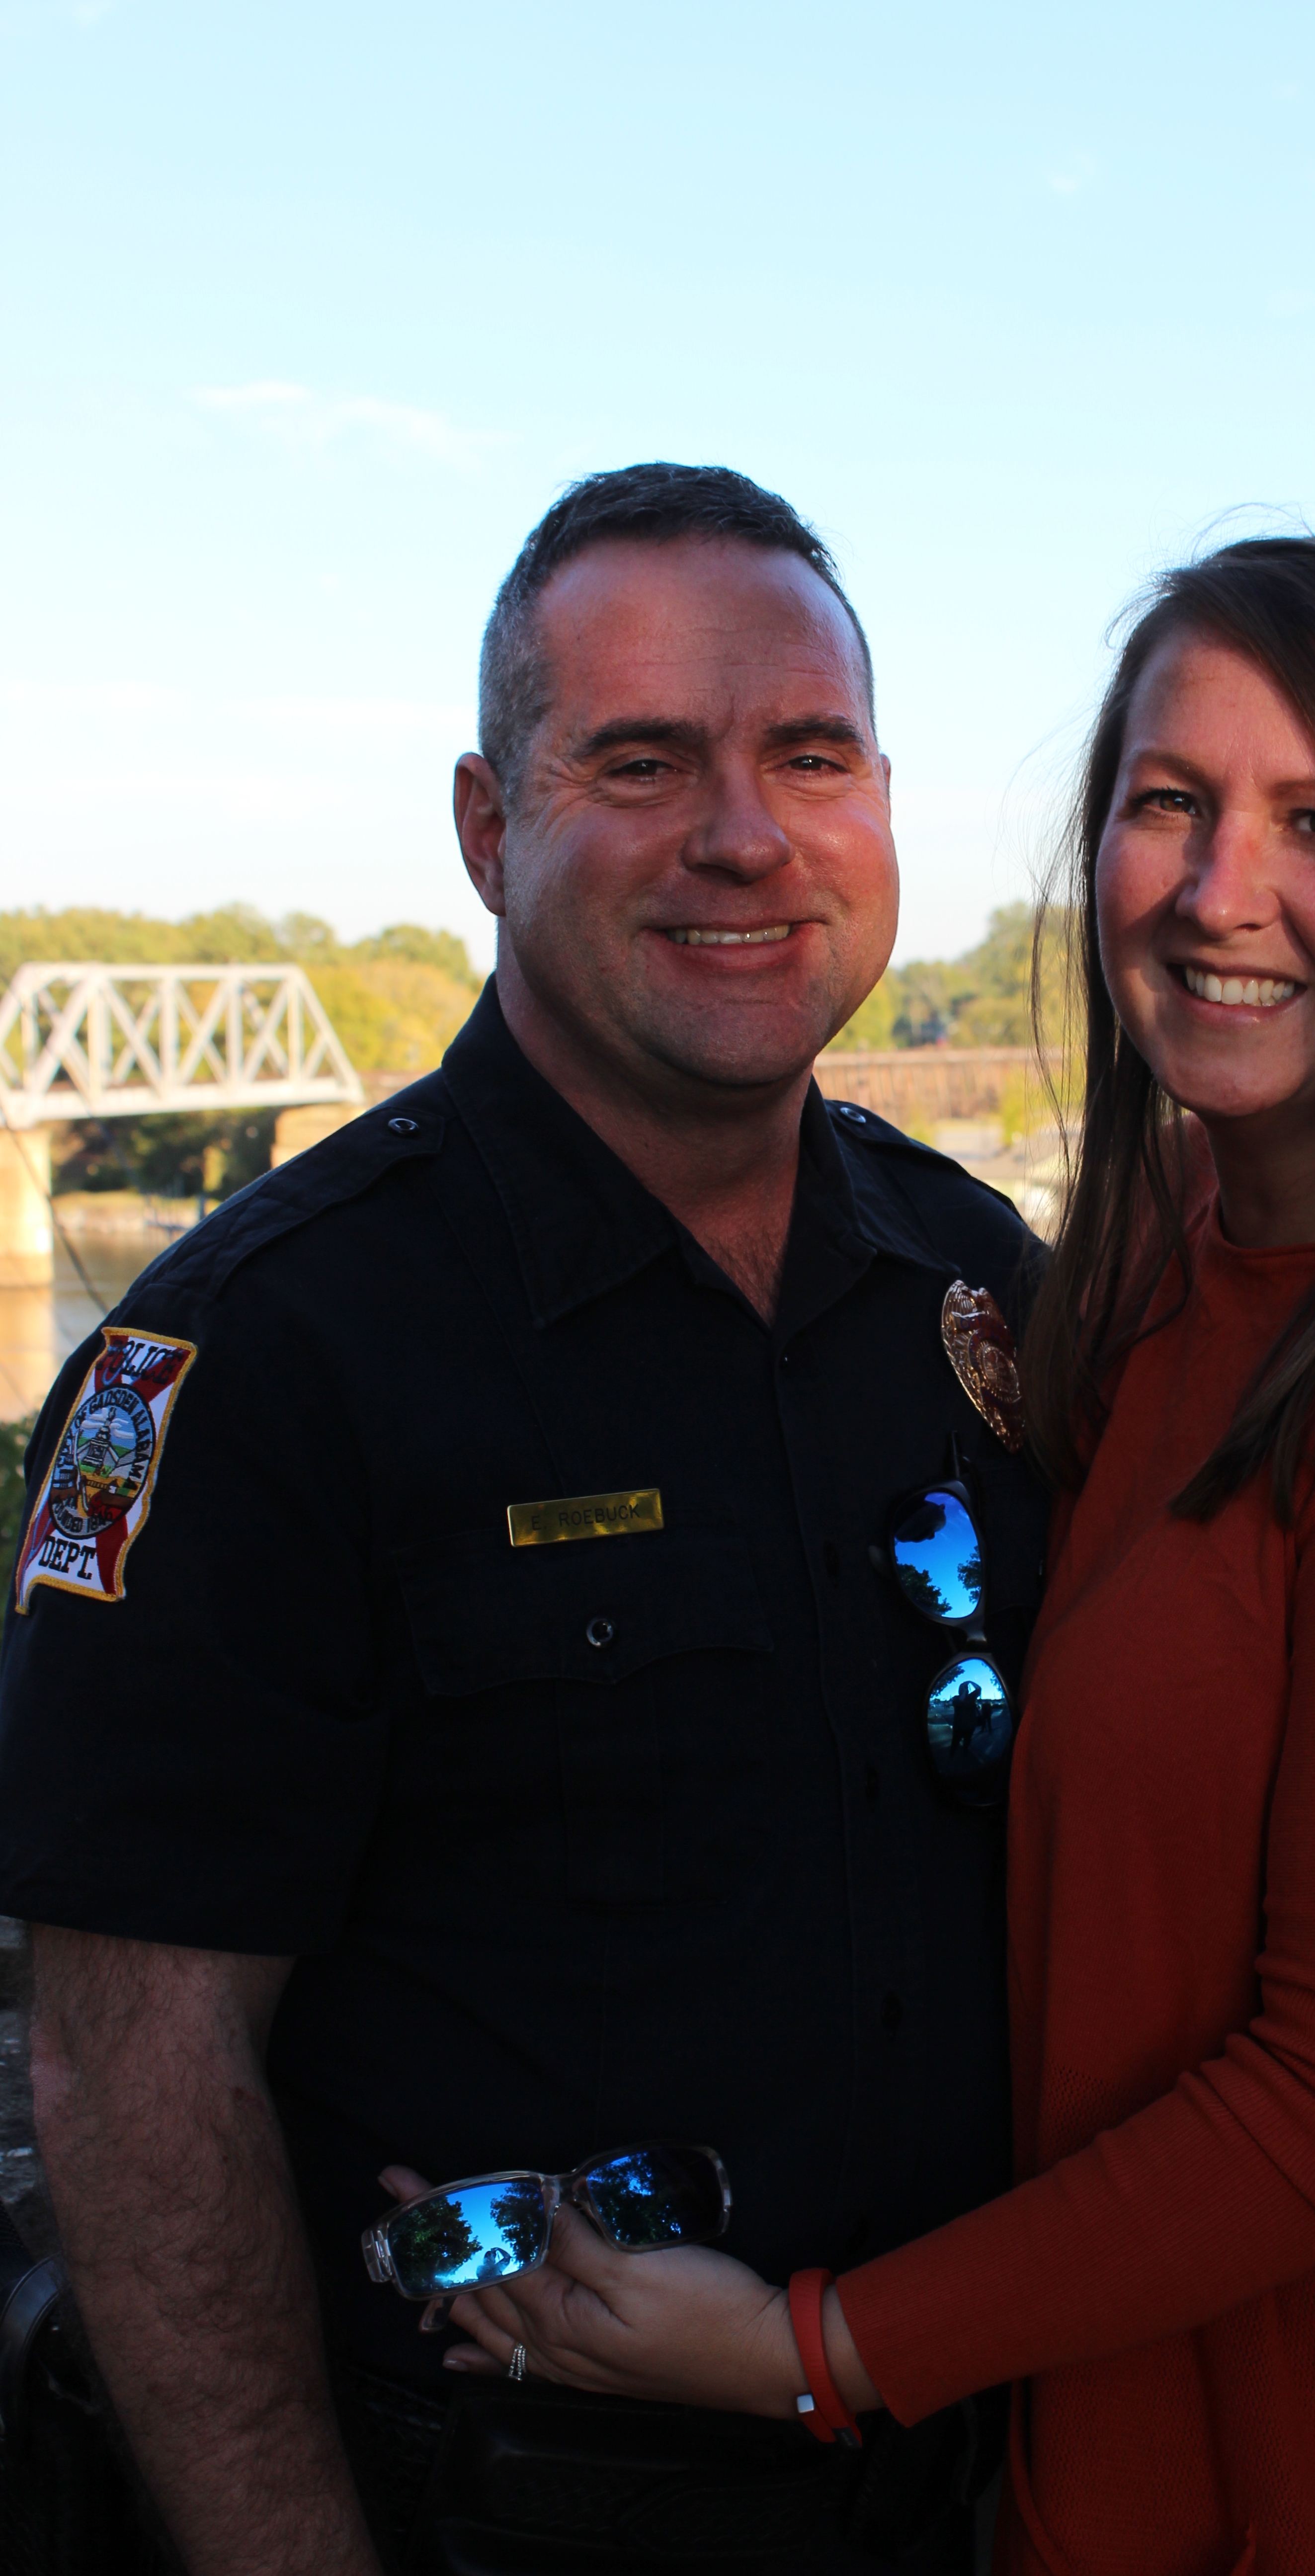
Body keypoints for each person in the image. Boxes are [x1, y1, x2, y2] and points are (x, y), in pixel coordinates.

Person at [440, 538, 1315, 2576]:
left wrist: (810, 2348)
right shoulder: (1138, 1284)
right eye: (1169, 802)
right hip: (1118, 2460)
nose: (1220, 890)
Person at [0, 464, 1049, 2575]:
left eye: (808, 756)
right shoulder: (259, 1354)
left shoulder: (974, 1286)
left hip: (978, 2481)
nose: (742, 834)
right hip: (515, 2517)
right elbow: (138, 2073)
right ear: (489, 829)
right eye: (639, 762)